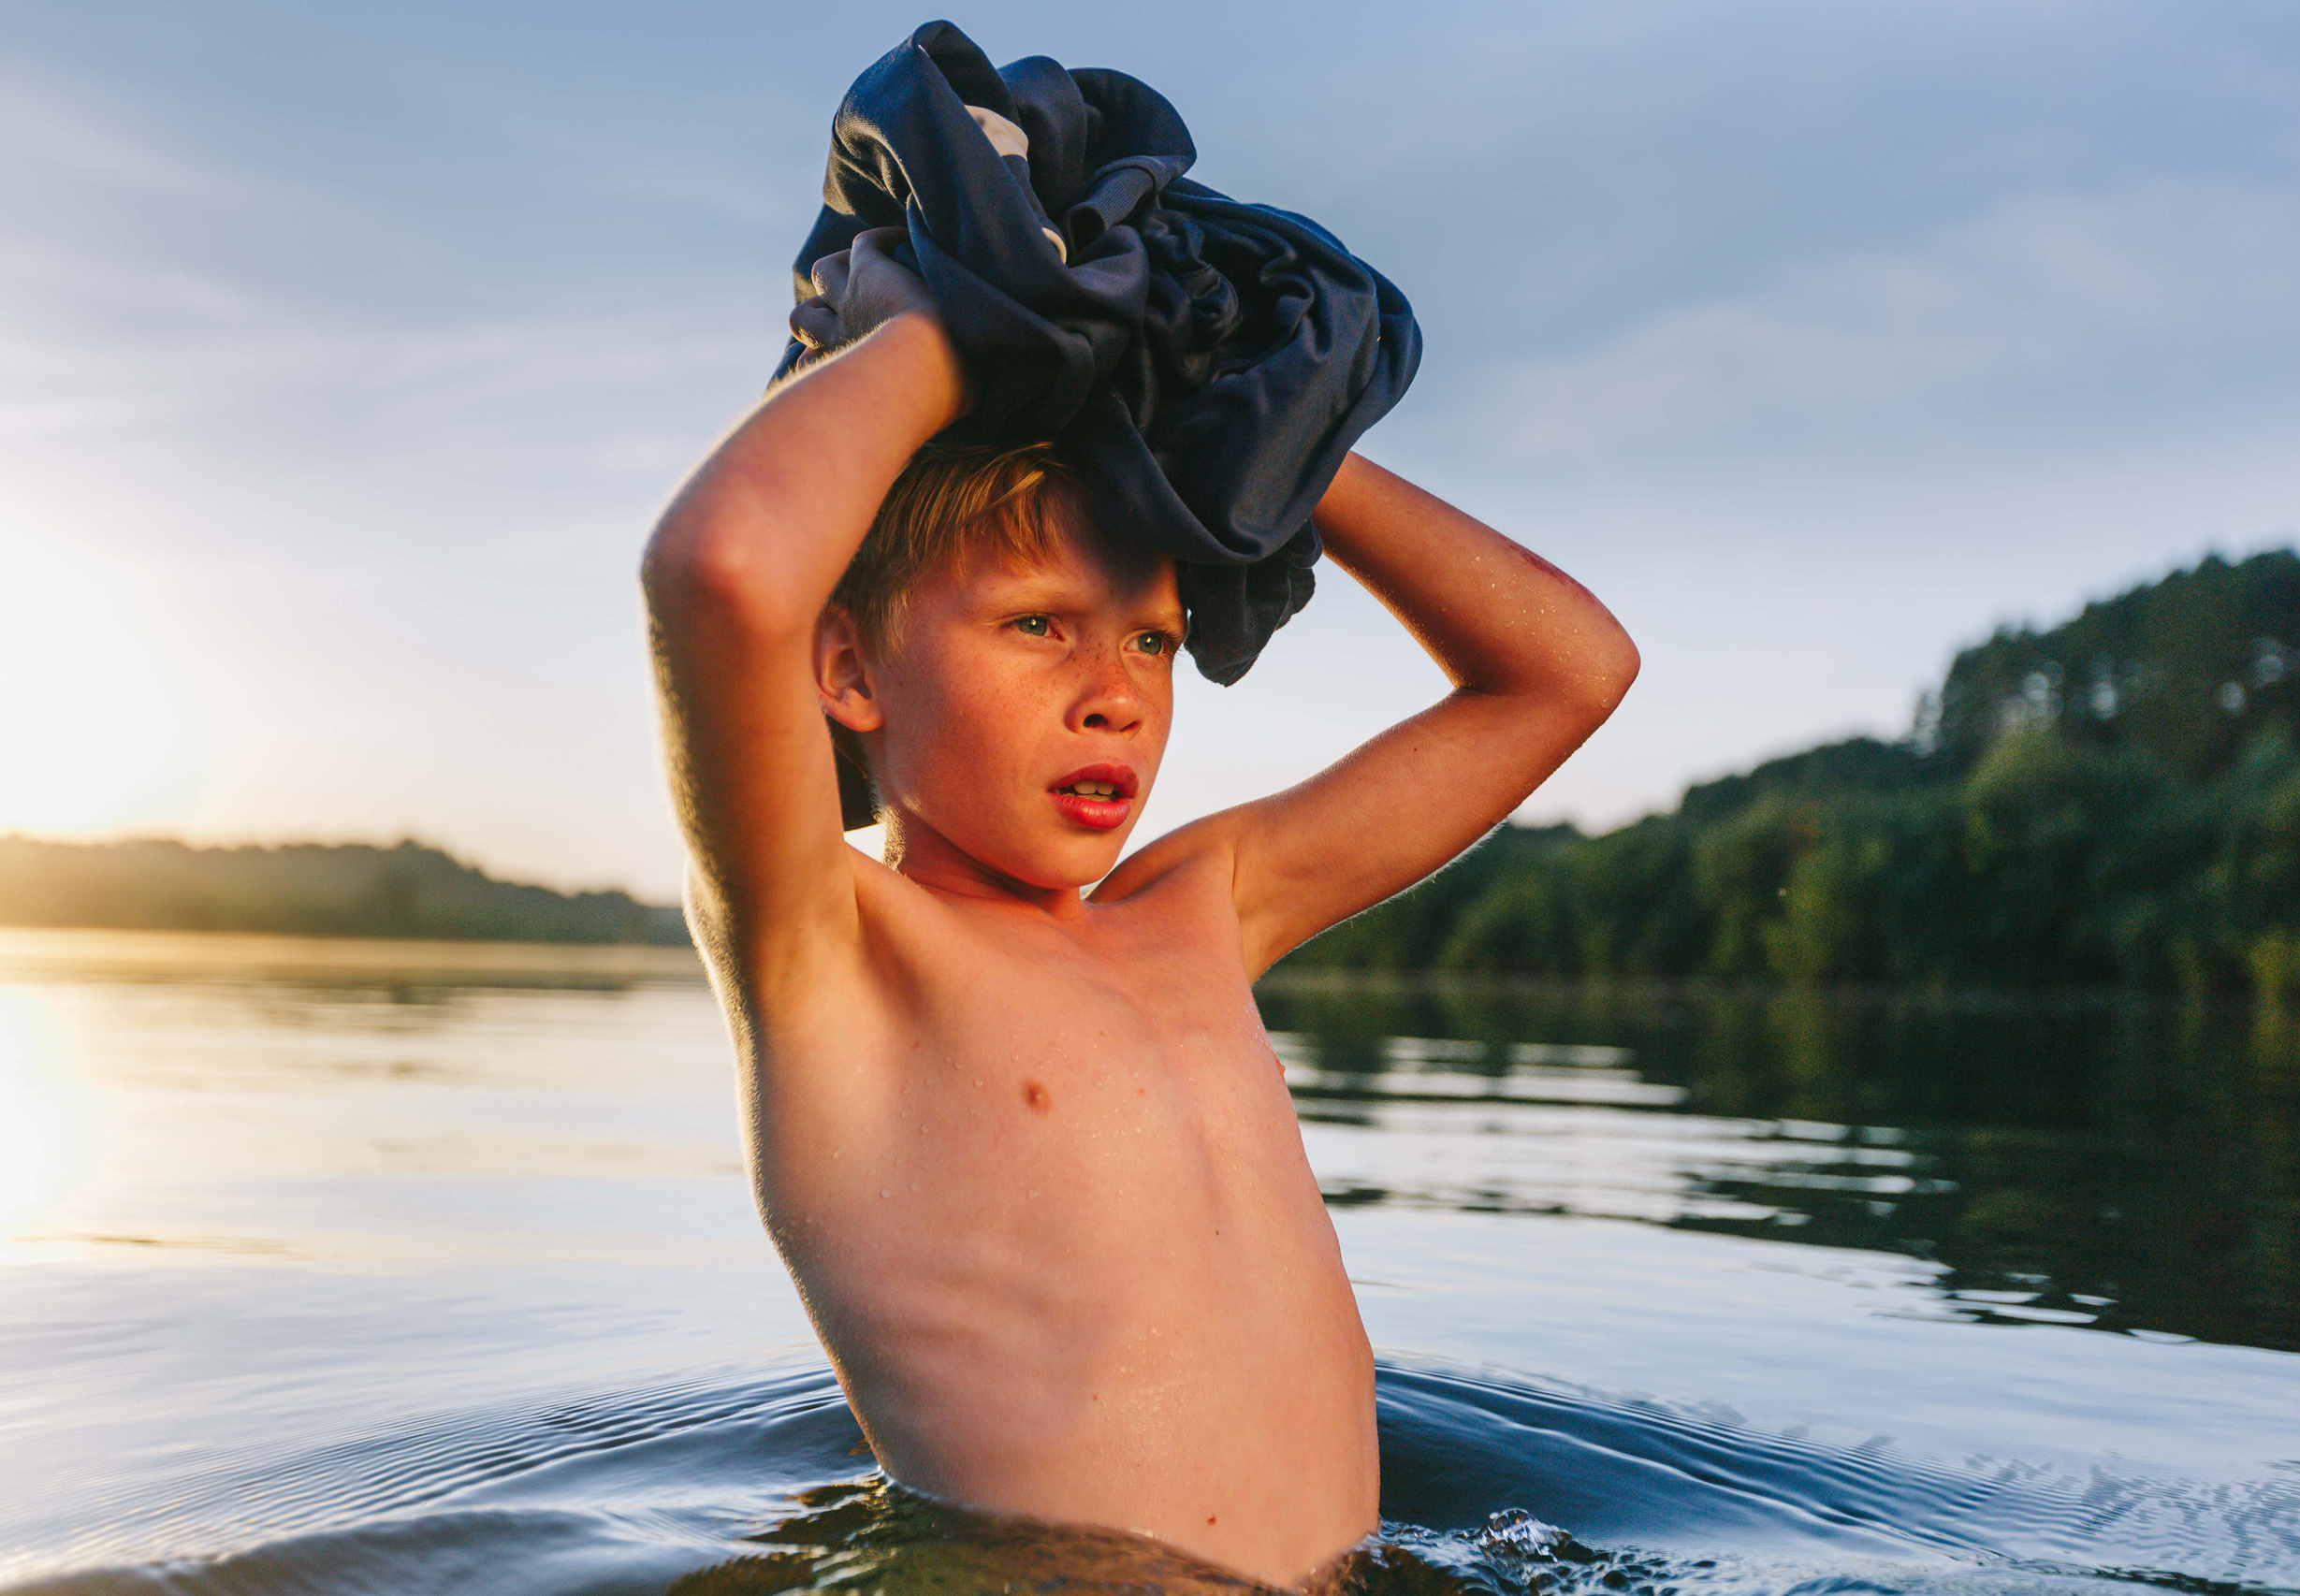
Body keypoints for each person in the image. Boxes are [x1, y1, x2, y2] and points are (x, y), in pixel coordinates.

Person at [641, 228, 1638, 1589]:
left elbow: (1570, 670)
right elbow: (721, 570)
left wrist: (1267, 440)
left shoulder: (1202, 905)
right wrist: (952, 336)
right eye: (1039, 624)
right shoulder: (838, 955)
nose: (1115, 686)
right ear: (852, 666)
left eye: (1153, 637)